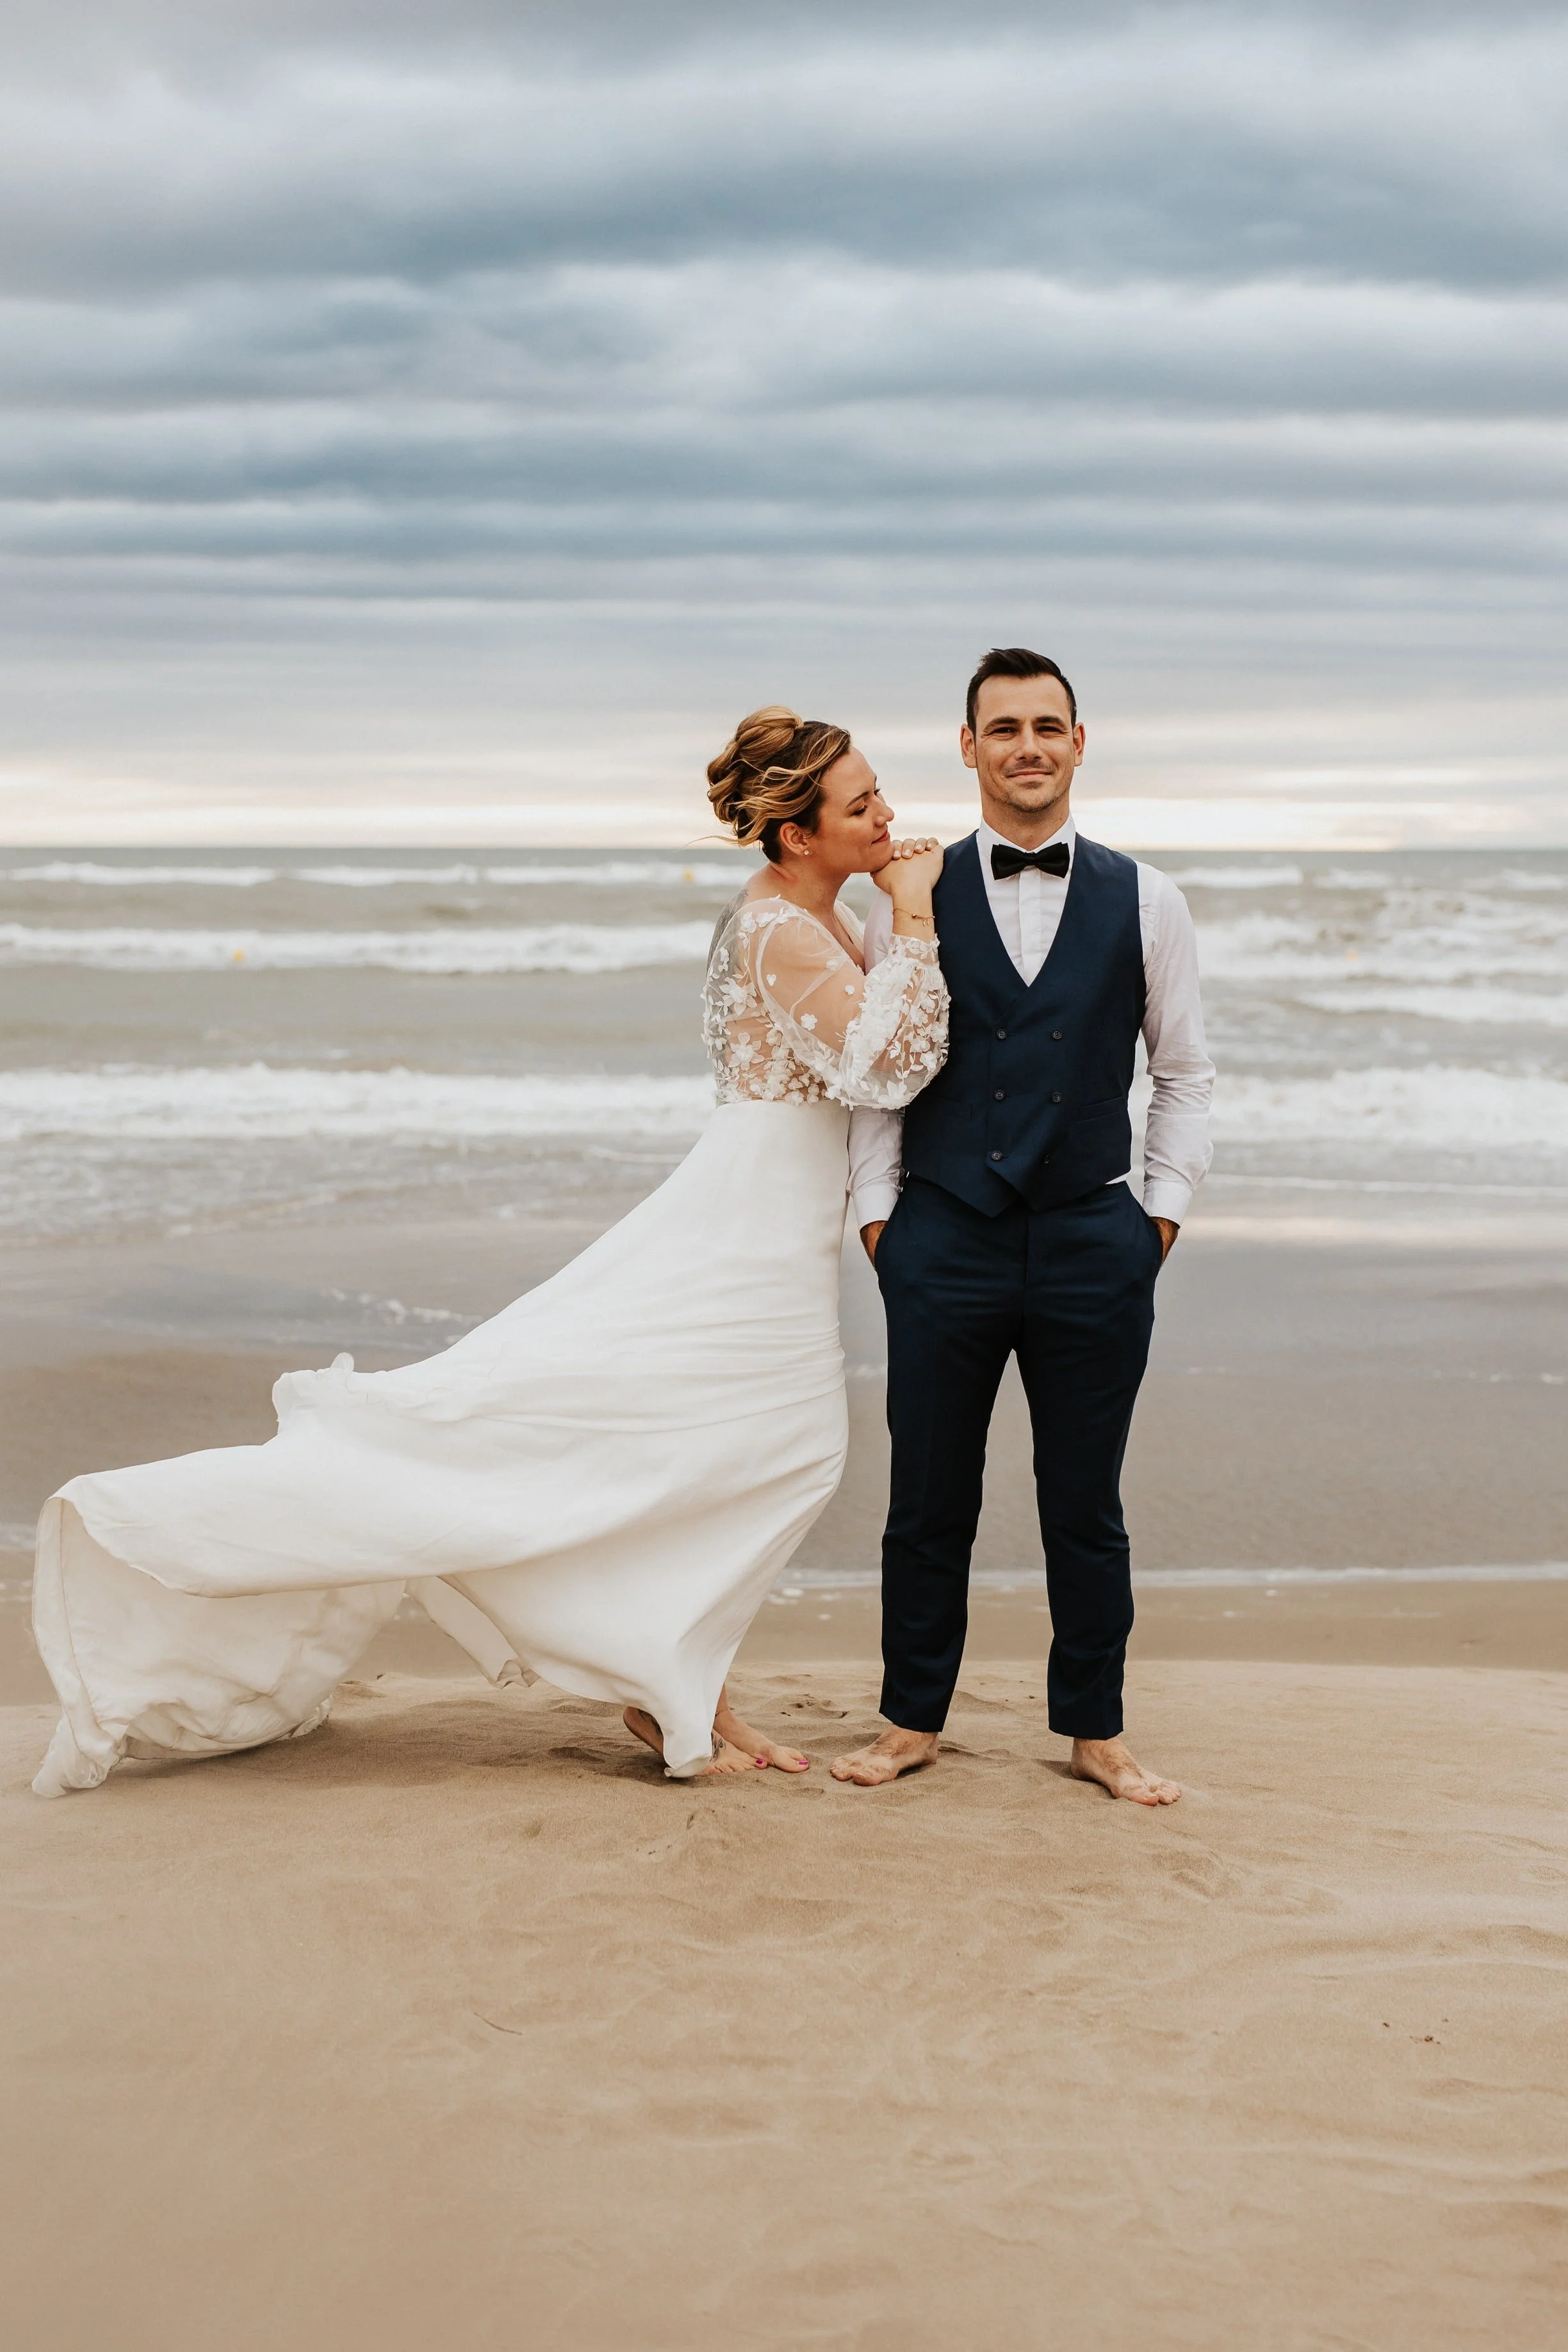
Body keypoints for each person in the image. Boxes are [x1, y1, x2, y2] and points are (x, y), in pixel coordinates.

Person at [30, 709, 947, 1796]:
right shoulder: (782, 932)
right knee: (775, 1448)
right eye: (862, 802)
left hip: (775, 1215)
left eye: (880, 792)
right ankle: (155, 1530)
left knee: (746, 1452)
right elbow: (889, 1069)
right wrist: (921, 912)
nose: (887, 813)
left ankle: (674, 1679)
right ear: (799, 836)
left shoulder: (820, 918)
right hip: (742, 1221)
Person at [833, 648, 1214, 1803]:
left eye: (1048, 726)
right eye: (1004, 729)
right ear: (969, 748)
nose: (1028, 747)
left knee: (1085, 1503)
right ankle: (911, 1720)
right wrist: (882, 1225)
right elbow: (878, 1072)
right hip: (942, 1238)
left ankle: (1094, 1730)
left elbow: (1186, 1074)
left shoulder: (1149, 897)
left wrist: (1157, 1220)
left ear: (1080, 742)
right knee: (926, 1499)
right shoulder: (900, 890)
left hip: (1097, 1241)